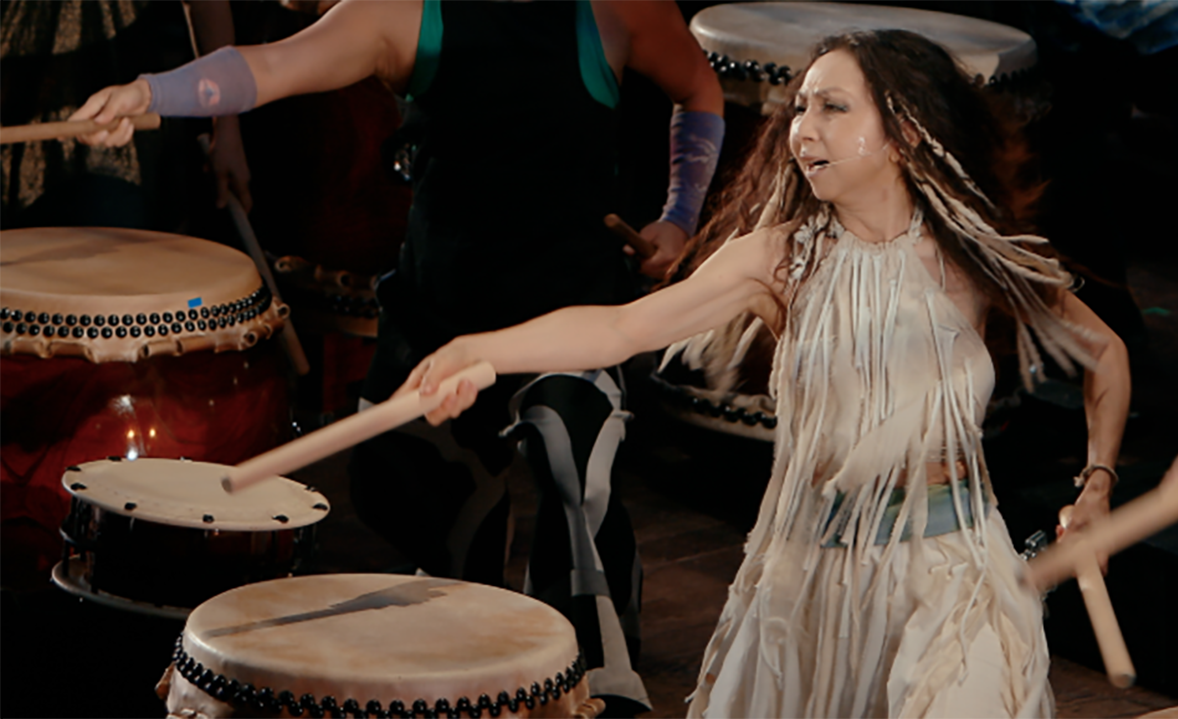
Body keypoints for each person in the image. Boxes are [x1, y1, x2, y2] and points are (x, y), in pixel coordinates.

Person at [397, 30, 1131, 718]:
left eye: (833, 108)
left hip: (955, 568)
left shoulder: (972, 255)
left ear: (906, 133)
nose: (803, 129)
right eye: (801, 106)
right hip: (813, 580)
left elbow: (1105, 355)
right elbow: (622, 327)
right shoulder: (779, 259)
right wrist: (482, 350)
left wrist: (1096, 484)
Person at [71, 0, 724, 711]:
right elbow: (272, 66)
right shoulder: (408, 13)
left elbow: (699, 91)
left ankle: (600, 669)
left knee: (577, 469)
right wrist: (149, 92)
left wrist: (680, 216)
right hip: (442, 316)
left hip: (571, 316)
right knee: (442, 534)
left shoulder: (615, 10)